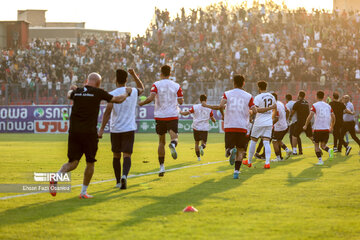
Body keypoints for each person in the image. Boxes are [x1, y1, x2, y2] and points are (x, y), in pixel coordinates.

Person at [50, 72, 132, 199]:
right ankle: (83, 192)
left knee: (72, 162)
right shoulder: (98, 92)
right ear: (98, 83)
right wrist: (127, 93)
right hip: (89, 133)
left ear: (87, 80)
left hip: (74, 132)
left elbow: (68, 95)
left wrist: (73, 88)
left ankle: (57, 176)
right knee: (90, 163)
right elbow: (118, 100)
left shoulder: (78, 91)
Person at [202, 75, 257, 179]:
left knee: (228, 148)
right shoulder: (248, 96)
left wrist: (223, 115)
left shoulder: (227, 93)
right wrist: (250, 116)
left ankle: (231, 150)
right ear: (243, 83)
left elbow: (221, 106)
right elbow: (254, 110)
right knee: (241, 150)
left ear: (234, 83)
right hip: (242, 126)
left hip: (230, 125)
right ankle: (236, 172)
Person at [98, 69, 144, 189]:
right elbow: (142, 88)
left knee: (116, 156)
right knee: (127, 155)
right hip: (129, 128)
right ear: (126, 80)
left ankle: (118, 181)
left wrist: (102, 129)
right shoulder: (133, 91)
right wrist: (134, 74)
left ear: (115, 80)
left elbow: (107, 112)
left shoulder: (112, 93)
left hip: (116, 129)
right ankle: (124, 176)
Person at [139, 65, 184, 177]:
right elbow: (181, 101)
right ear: (170, 73)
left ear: (161, 73)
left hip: (160, 116)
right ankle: (173, 144)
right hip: (172, 115)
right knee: (174, 137)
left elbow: (150, 98)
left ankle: (161, 167)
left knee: (161, 142)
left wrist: (141, 103)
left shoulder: (156, 84)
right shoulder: (176, 85)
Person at [245, 81, 276, 169]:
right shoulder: (272, 96)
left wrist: (251, 116)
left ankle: (249, 162)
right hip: (268, 122)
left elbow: (257, 110)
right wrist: (271, 118)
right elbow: (275, 108)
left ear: (259, 88)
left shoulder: (258, 97)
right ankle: (267, 163)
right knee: (266, 142)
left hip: (259, 122)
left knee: (253, 140)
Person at [180, 94, 216, 161]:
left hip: (196, 127)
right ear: (206, 100)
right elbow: (212, 118)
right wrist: (214, 121)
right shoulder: (209, 109)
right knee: (204, 142)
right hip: (204, 128)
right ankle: (202, 147)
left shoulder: (195, 107)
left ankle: (198, 158)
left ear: (200, 100)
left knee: (196, 142)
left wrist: (180, 112)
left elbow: (187, 113)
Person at [303, 91, 335, 165]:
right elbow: (333, 117)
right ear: (323, 97)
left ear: (316, 96)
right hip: (326, 129)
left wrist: (305, 124)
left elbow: (310, 116)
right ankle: (329, 150)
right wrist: (331, 126)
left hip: (318, 129)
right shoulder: (328, 106)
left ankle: (320, 161)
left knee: (316, 145)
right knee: (323, 146)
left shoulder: (315, 105)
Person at [272, 93, 292, 162]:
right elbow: (288, 111)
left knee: (274, 141)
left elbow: (276, 118)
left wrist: (269, 124)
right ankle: (287, 150)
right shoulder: (280, 103)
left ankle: (278, 158)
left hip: (279, 127)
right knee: (278, 140)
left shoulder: (275, 106)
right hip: (284, 125)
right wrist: (286, 119)